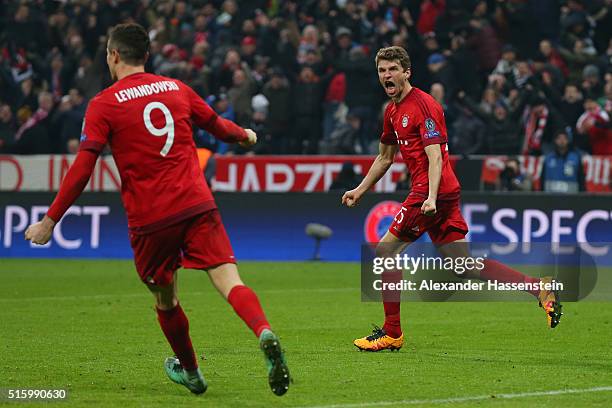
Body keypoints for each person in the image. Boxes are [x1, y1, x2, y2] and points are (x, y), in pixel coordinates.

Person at [24, 23, 290, 397]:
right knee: (229, 279)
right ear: (146, 57)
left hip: (150, 219)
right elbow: (218, 127)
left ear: (114, 55)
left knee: (166, 299)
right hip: (197, 203)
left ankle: (193, 372)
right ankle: (263, 330)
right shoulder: (177, 89)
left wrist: (50, 221)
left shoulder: (103, 103)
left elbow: (84, 166)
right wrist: (245, 135)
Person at [341, 46, 562, 352]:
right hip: (440, 192)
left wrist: (430, 197)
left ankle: (392, 332)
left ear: (407, 73)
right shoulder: (392, 111)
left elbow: (435, 157)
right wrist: (360, 189)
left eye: (392, 69)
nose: (386, 75)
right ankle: (538, 287)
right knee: (462, 264)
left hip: (431, 191)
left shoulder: (424, 105)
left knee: (385, 252)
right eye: (382, 70)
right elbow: (384, 157)